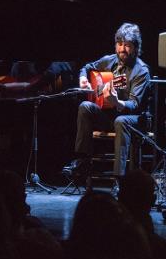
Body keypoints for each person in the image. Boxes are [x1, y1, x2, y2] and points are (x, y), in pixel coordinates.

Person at [63, 23, 150, 183]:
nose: (122, 49)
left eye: (128, 45)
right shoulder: (109, 61)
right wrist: (83, 78)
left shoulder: (141, 71)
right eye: (120, 44)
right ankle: (83, 161)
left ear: (136, 48)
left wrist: (117, 102)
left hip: (135, 120)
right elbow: (87, 67)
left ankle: (119, 178)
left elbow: (135, 105)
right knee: (85, 107)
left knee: (121, 120)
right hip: (110, 116)